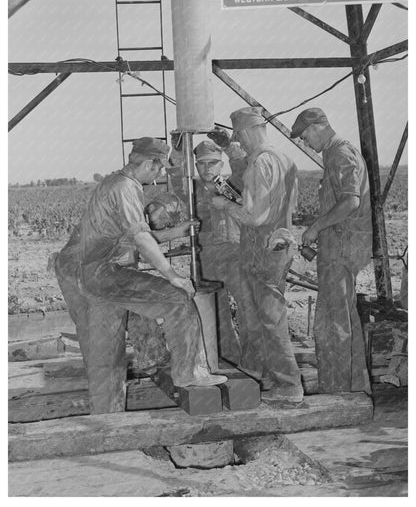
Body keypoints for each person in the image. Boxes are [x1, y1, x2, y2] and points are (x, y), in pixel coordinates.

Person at [56, 137, 226, 415]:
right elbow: (141, 238)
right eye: (159, 169)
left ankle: (107, 418)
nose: (160, 175)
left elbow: (130, 233)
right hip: (100, 272)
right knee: (177, 298)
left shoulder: (113, 182)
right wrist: (172, 275)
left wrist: (173, 233)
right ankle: (189, 373)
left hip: (84, 273)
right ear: (149, 164)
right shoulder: (125, 188)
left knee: (105, 354)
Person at [210, 106, 303, 404]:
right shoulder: (284, 158)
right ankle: (270, 377)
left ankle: (289, 386)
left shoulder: (260, 163)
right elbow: (286, 206)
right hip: (280, 245)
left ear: (247, 132)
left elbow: (256, 215)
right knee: (269, 317)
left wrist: (225, 205)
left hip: (262, 249)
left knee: (271, 320)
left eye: (239, 138)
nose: (240, 144)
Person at [290, 107, 372, 395]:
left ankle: (337, 394)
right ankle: (355, 389)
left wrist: (314, 228)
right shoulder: (337, 154)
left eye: (304, 137)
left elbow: (349, 202)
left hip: (340, 250)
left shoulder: (340, 153)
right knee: (345, 320)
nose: (304, 143)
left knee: (332, 324)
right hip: (339, 247)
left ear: (316, 127)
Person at [166, 138, 245, 365]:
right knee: (216, 312)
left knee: (247, 309)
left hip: (236, 255)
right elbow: (177, 175)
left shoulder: (234, 184)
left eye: (213, 163)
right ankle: (228, 357)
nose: (207, 168)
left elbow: (243, 166)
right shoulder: (191, 190)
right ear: (196, 166)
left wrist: (230, 146)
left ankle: (252, 362)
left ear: (222, 164)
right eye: (201, 164)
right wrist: (180, 150)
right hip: (207, 257)